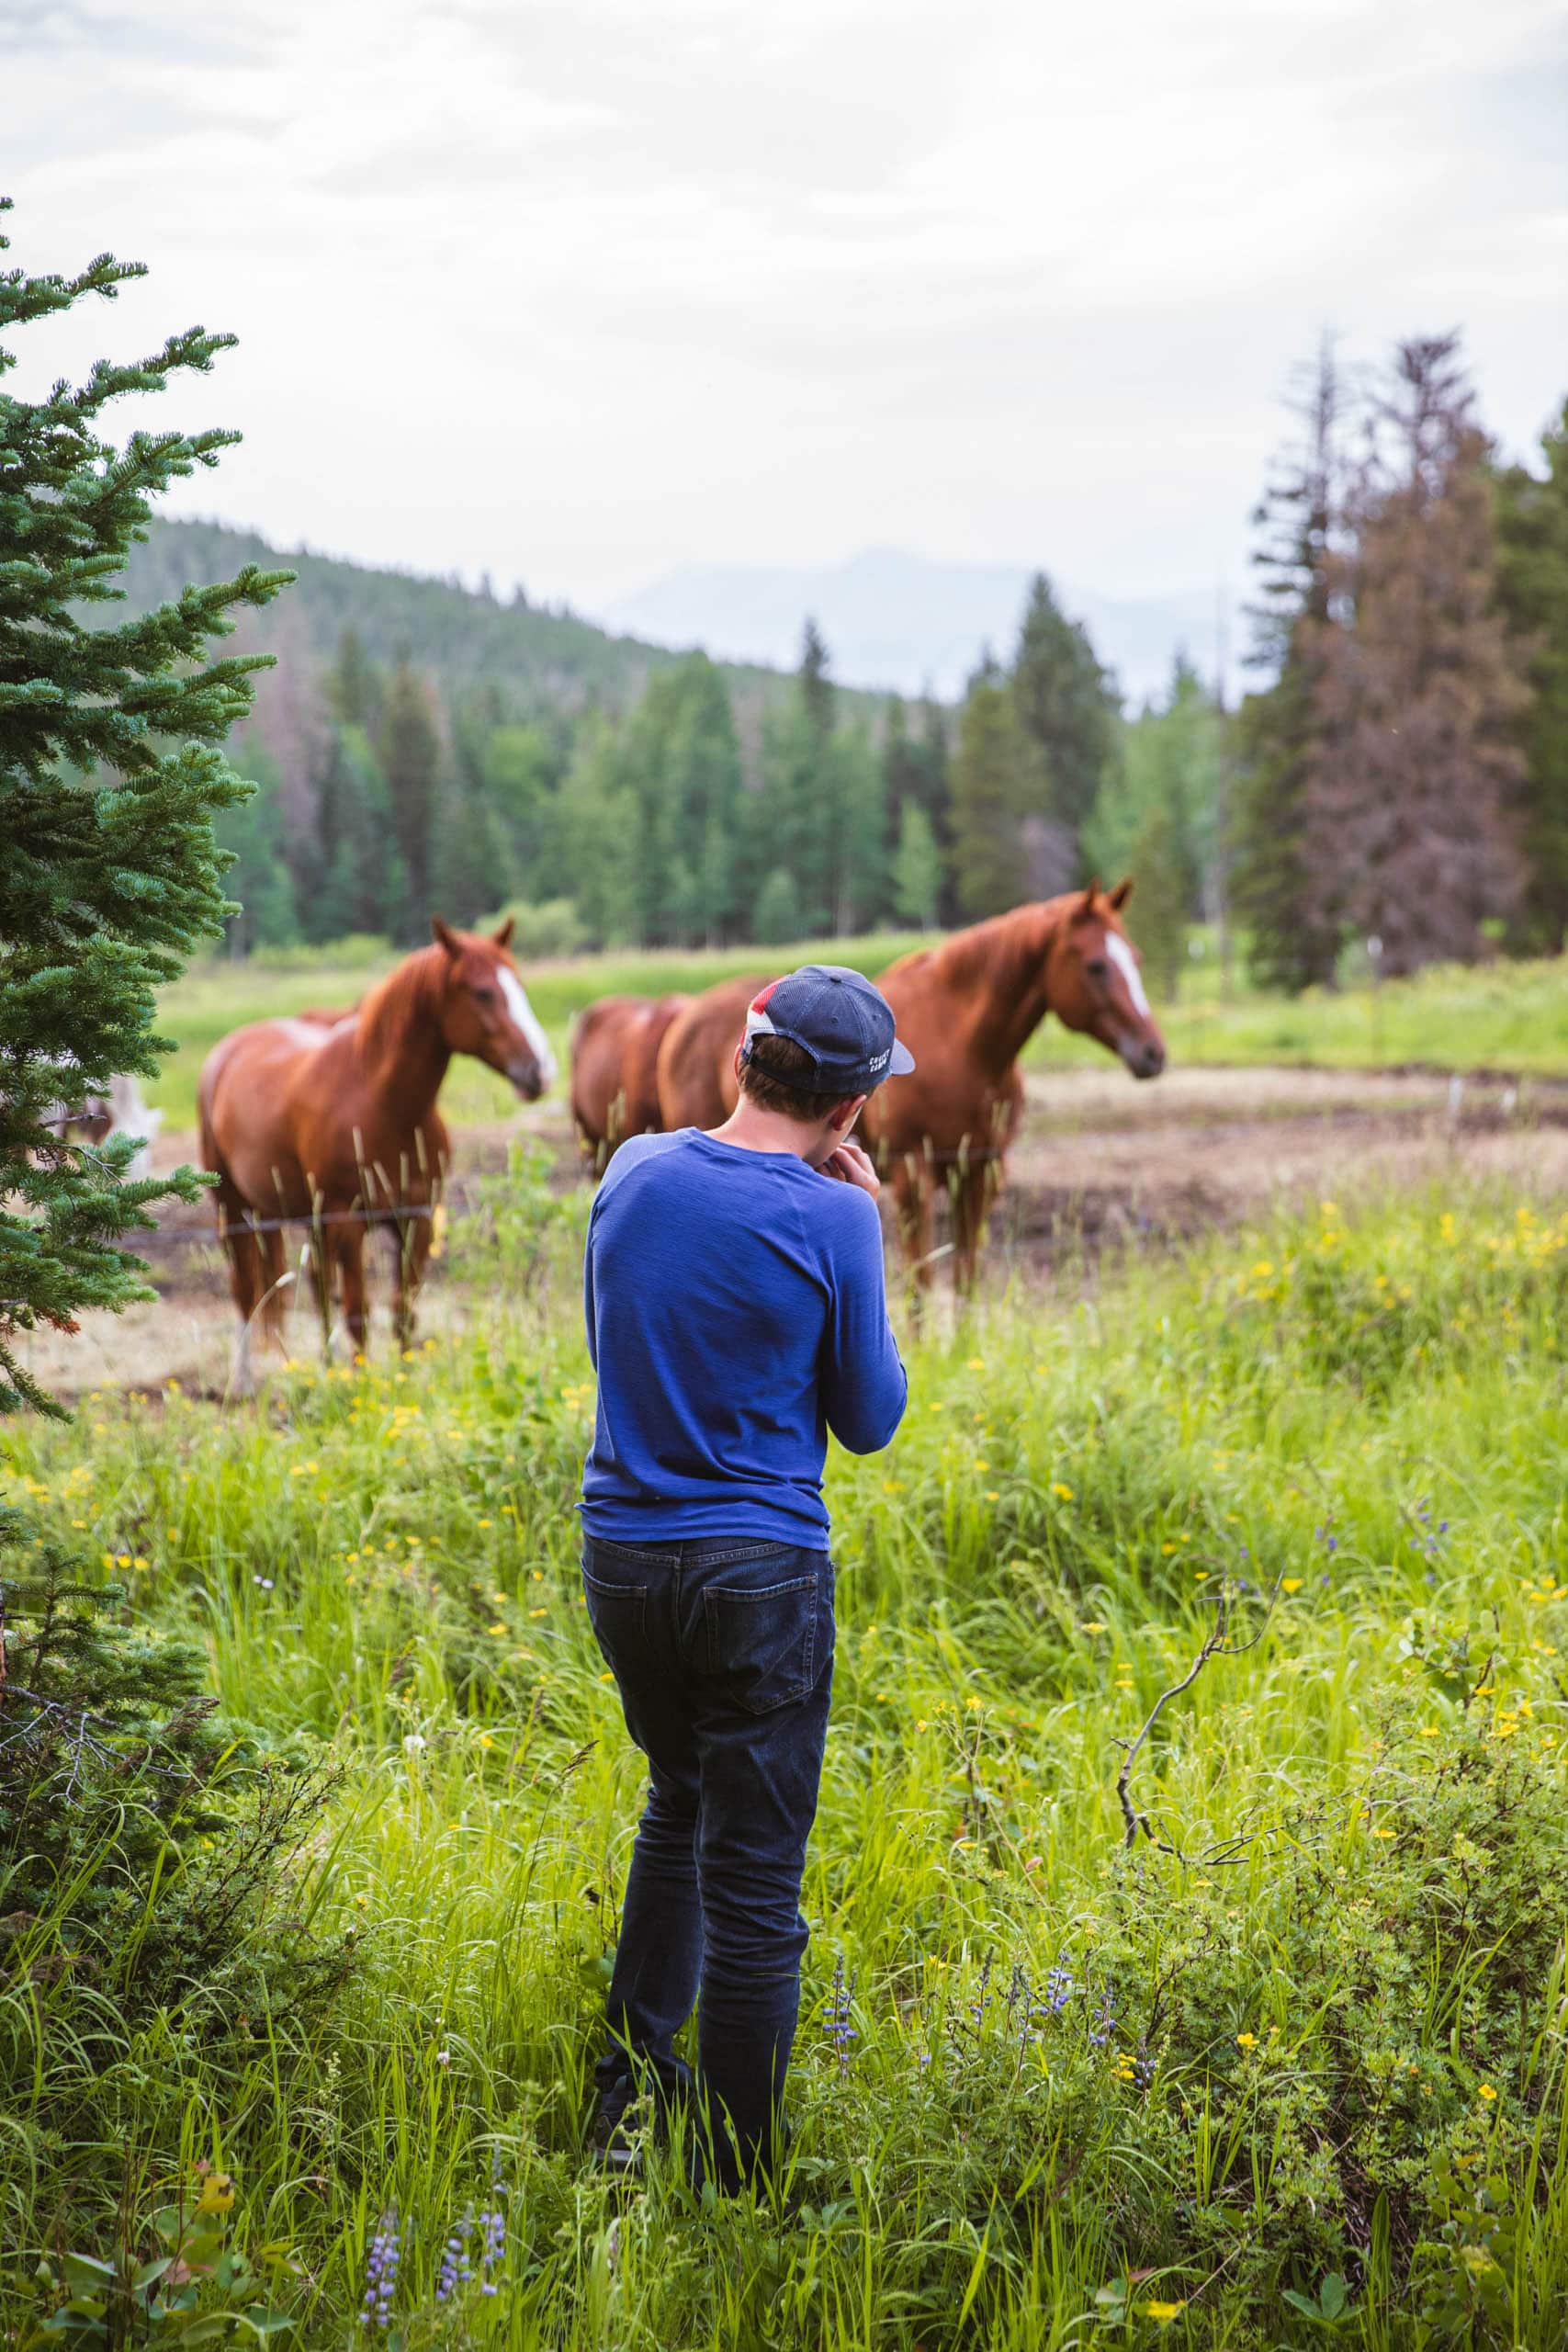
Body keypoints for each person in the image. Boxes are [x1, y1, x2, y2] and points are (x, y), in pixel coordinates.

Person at [578, 965, 913, 2191]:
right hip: (758, 1570)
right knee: (759, 1886)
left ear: (740, 1063)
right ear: (855, 1111)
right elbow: (870, 1419)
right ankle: (743, 2188)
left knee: (679, 1796)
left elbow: (622, 1339)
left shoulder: (633, 1172)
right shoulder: (840, 1219)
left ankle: (625, 2107)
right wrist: (866, 1227)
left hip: (622, 1552)